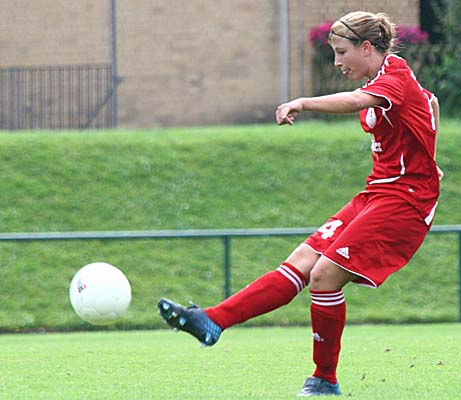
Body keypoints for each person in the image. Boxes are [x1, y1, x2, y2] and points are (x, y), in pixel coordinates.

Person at [158, 10, 441, 397]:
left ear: (367, 47)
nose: (337, 62)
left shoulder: (394, 74)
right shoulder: (387, 82)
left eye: (341, 52)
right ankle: (211, 321)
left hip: (405, 199)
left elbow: (357, 100)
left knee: (323, 276)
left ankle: (324, 379)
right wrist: (431, 155)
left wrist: (303, 103)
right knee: (302, 261)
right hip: (377, 193)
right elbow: (430, 102)